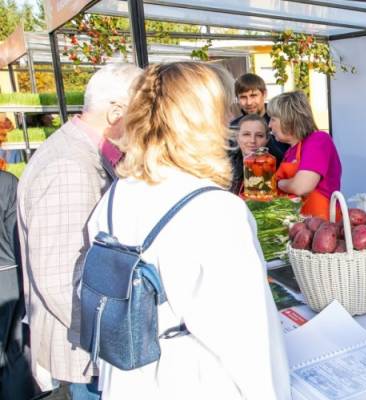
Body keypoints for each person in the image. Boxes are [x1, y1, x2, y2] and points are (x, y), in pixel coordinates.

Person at [87, 61, 291, 399]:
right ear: (203, 122)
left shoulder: (116, 195)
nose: (229, 122)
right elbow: (251, 347)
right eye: (223, 113)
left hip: (127, 381)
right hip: (190, 382)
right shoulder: (215, 212)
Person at [16, 63, 141, 399]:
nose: (149, 123)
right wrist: (123, 336)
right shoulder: (70, 166)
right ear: (117, 112)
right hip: (89, 357)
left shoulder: (81, 153)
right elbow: (61, 280)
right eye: (143, 112)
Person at [271, 91, 342, 219]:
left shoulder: (318, 140)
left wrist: (279, 184)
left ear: (289, 119)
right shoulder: (290, 151)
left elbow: (301, 187)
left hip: (321, 225)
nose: (269, 125)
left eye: (273, 119)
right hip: (300, 225)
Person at [0, 170, 38, 400]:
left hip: (8, 275)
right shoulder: (6, 182)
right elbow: (19, 239)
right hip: (9, 278)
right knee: (15, 354)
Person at [228, 73, 290, 193]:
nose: (249, 102)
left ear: (264, 94)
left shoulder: (281, 122)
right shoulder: (234, 127)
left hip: (279, 191)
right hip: (242, 192)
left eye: (253, 95)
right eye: (243, 97)